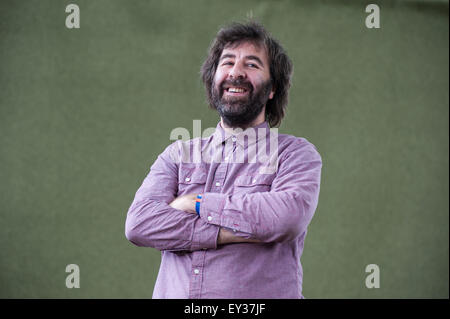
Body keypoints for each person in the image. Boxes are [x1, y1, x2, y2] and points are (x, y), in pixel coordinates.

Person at [125, 21, 322, 299]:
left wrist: (195, 203)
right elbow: (139, 224)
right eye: (227, 62)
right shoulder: (178, 155)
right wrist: (228, 232)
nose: (236, 72)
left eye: (252, 65)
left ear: (272, 89)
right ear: (213, 79)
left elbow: (285, 218)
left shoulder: (295, 154)